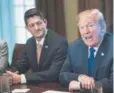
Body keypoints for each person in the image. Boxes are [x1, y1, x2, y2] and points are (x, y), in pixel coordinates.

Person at [6, 8, 68, 84]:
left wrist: (22, 78)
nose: (36, 28)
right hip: (35, 87)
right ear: (27, 28)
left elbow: (54, 73)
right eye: (32, 25)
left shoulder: (60, 42)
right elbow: (22, 65)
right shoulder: (30, 42)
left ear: (45, 22)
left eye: (39, 23)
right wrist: (9, 74)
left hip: (54, 87)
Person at [59, 9, 113, 93]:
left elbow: (112, 84)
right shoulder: (74, 47)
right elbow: (62, 76)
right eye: (82, 27)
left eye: (90, 25)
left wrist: (79, 86)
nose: (85, 31)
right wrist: (80, 77)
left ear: (102, 27)